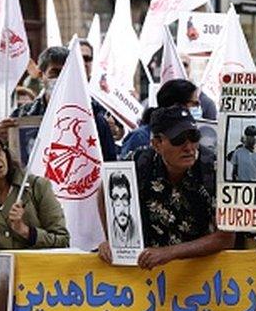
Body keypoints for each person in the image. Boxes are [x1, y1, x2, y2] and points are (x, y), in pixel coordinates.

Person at [97, 106, 234, 268]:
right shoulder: (139, 161)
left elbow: (225, 238)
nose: (189, 147)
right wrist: (113, 240)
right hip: (149, 271)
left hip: (201, 273)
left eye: (194, 137)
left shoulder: (215, 169)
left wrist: (169, 253)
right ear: (157, 144)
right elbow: (104, 189)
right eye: (179, 140)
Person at [0, 46, 117, 161]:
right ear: (41, 75)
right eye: (55, 73)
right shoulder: (22, 116)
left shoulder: (94, 115)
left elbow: (109, 164)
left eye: (66, 72)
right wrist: (1, 140)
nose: (61, 78)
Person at [121, 79, 204, 158]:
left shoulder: (196, 136)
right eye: (195, 104)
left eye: (194, 138)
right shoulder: (141, 137)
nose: (189, 149)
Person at [107, 171, 139, 248]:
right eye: (116, 198)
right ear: (111, 203)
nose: (121, 207)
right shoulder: (109, 232)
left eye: (125, 198)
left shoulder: (138, 230)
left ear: (130, 200)